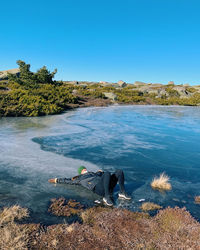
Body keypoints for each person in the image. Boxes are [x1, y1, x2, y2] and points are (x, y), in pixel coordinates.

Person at [48, 166, 131, 206]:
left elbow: (99, 173)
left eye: (84, 168)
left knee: (119, 171)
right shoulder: (79, 178)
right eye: (83, 169)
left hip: (107, 185)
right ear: (81, 172)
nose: (84, 169)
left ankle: (122, 192)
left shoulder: (92, 173)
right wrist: (57, 180)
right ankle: (106, 197)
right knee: (107, 173)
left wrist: (99, 172)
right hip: (98, 188)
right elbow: (68, 181)